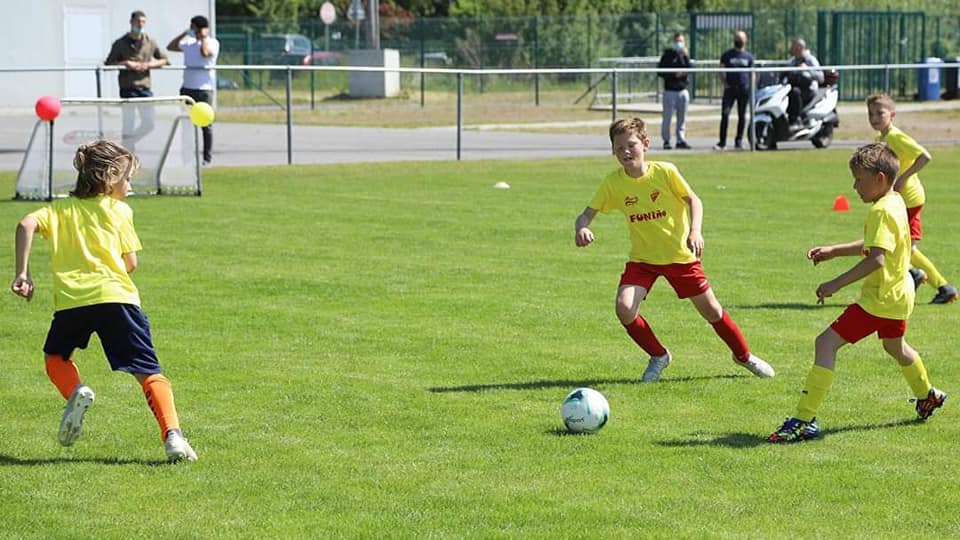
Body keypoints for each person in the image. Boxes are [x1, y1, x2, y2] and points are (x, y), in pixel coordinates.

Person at [10, 140, 197, 463]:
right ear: (109, 178)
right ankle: (173, 437)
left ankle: (75, 392)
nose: (130, 186)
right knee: (148, 371)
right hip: (118, 298)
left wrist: (22, 273)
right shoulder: (120, 210)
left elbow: (25, 224)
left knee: (56, 359)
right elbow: (131, 263)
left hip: (73, 302)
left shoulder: (58, 210)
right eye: (127, 179)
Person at [769, 143, 946, 443]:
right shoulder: (895, 201)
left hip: (880, 299)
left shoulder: (880, 211)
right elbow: (875, 245)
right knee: (895, 347)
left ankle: (803, 419)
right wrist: (835, 251)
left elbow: (876, 257)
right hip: (900, 293)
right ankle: (927, 395)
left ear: (879, 178)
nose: (854, 186)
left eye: (858, 179)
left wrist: (835, 284)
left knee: (825, 342)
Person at [573, 117, 774, 383]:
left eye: (631, 145)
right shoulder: (613, 183)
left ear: (646, 144)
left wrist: (695, 231)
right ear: (612, 150)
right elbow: (585, 215)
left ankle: (744, 356)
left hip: (680, 258)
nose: (625, 152)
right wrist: (581, 229)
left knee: (712, 312)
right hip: (643, 261)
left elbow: (694, 199)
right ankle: (658, 355)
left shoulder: (665, 172)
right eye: (619, 147)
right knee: (624, 308)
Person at [866, 94, 957, 304]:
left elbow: (925, 156)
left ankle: (936, 283)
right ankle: (928, 280)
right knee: (901, 245)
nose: (874, 118)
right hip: (901, 199)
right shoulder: (883, 138)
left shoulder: (896, 136)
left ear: (893, 115)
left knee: (904, 246)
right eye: (871, 114)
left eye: (880, 113)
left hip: (910, 198)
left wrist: (902, 179)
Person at [105, 10, 169, 152]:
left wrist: (149, 64)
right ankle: (127, 153)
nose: (140, 24)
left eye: (143, 21)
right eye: (137, 21)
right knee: (128, 124)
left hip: (145, 88)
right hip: (128, 88)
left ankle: (129, 141)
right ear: (131, 22)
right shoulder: (120, 43)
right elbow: (108, 63)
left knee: (149, 123)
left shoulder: (150, 41)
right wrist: (126, 63)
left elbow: (165, 60)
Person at [167, 15, 220, 166]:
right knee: (186, 125)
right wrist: (185, 33)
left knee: (206, 125)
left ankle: (207, 159)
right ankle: (187, 159)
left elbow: (205, 54)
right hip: (187, 89)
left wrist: (203, 38)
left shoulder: (213, 43)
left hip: (204, 90)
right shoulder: (188, 44)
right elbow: (171, 46)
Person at [715, 31, 754, 151]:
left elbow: (752, 73)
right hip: (730, 89)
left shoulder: (749, 56)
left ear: (745, 40)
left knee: (742, 116)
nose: (739, 41)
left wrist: (751, 86)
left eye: (741, 39)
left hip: (743, 89)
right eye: (737, 38)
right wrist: (724, 83)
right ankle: (722, 142)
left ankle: (739, 141)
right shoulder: (727, 55)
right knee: (725, 114)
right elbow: (720, 70)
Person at [657, 33, 692, 150]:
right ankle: (666, 141)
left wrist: (685, 56)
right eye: (677, 41)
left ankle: (680, 140)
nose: (679, 43)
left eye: (681, 41)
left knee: (682, 118)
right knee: (667, 117)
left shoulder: (684, 55)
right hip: (669, 91)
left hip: (682, 91)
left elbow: (690, 69)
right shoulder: (667, 55)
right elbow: (660, 72)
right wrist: (673, 74)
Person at [784, 38, 823, 126]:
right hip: (793, 87)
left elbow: (821, 77)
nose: (790, 49)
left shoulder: (810, 60)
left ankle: (796, 119)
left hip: (809, 89)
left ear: (799, 48)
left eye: (792, 47)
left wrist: (808, 70)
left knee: (795, 93)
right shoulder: (792, 61)